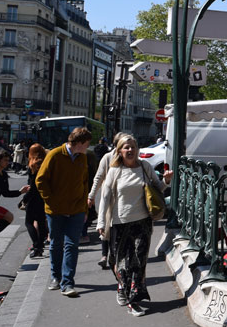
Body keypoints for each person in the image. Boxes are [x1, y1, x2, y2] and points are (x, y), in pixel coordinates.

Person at [96, 134, 173, 316]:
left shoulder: (145, 167)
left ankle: (133, 300)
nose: (130, 150)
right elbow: (105, 199)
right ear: (120, 151)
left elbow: (157, 188)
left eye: (132, 147)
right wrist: (101, 222)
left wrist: (166, 181)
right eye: (126, 147)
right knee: (121, 263)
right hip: (120, 223)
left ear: (137, 149)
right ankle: (122, 288)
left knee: (138, 263)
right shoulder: (114, 171)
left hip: (143, 222)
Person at [36, 126, 94, 297]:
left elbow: (84, 183)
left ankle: (67, 282)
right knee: (55, 244)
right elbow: (41, 181)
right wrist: (52, 201)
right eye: (87, 144)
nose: (88, 147)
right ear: (79, 143)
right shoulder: (55, 155)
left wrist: (84, 208)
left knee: (72, 245)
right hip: (55, 210)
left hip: (76, 209)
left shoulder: (82, 158)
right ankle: (56, 277)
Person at [88, 132, 127, 269]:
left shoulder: (129, 157)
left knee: (117, 227)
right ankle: (105, 255)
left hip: (124, 199)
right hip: (108, 198)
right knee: (105, 226)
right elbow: (98, 177)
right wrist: (91, 195)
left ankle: (114, 255)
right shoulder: (108, 157)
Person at [22, 144, 49, 258]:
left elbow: (33, 186)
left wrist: (24, 199)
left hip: (33, 197)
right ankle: (41, 246)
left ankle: (37, 245)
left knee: (29, 222)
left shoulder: (33, 165)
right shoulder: (46, 163)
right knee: (41, 222)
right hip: (43, 196)